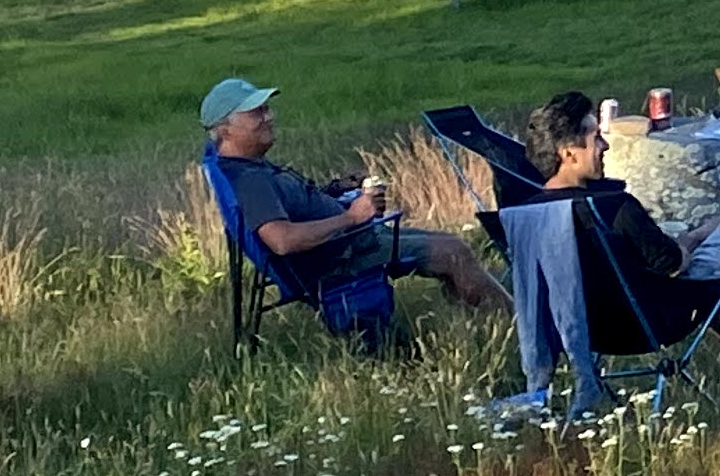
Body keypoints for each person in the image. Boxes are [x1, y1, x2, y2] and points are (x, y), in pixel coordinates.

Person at [199, 78, 505, 320]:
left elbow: (292, 206)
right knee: (452, 251)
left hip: (351, 241)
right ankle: (517, 321)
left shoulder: (249, 165)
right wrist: (352, 217)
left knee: (450, 248)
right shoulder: (248, 179)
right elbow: (282, 240)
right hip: (340, 258)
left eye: (267, 109)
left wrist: (337, 190)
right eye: (256, 113)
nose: (269, 117)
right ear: (225, 130)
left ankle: (477, 323)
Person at [523, 91, 720, 374]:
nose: (605, 145)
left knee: (703, 257)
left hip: (581, 329)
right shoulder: (614, 207)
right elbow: (673, 264)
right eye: (595, 137)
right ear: (568, 153)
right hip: (651, 321)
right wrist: (689, 240)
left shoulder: (524, 218)